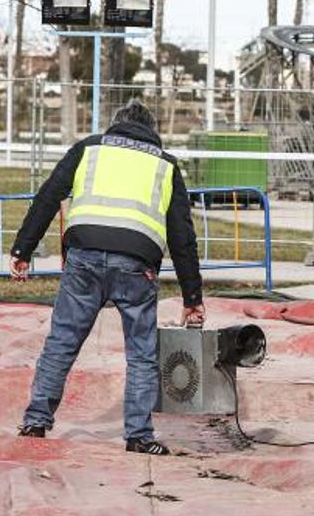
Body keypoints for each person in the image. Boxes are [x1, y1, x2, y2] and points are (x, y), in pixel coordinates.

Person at [11, 100, 205, 455]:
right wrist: (192, 298)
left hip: (83, 256)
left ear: (115, 125)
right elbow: (182, 237)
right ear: (152, 130)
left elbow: (48, 195)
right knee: (142, 355)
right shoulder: (165, 165)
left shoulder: (89, 149)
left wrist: (23, 250)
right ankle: (139, 436)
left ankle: (36, 421)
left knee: (62, 343)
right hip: (138, 263)